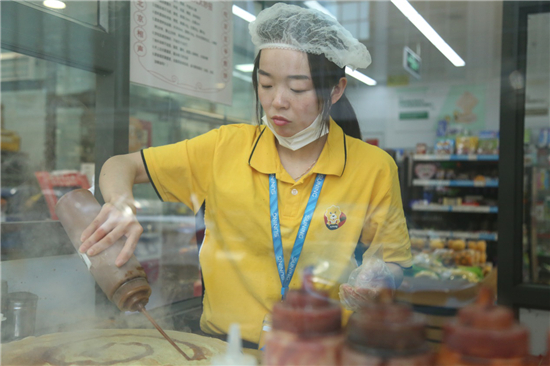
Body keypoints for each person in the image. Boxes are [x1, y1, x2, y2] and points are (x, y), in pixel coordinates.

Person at [79, 3, 412, 345]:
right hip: (226, 348)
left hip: (319, 350)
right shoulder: (225, 147)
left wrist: (380, 278)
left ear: (336, 90)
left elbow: (393, 260)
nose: (277, 101)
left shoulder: (372, 167)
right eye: (265, 85)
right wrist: (121, 205)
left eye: (297, 89)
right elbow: (121, 165)